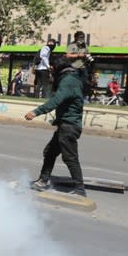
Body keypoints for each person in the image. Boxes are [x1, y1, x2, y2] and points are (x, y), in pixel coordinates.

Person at [26, 57, 87, 197]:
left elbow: (56, 100)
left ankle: (79, 189)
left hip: (69, 126)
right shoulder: (71, 78)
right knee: (50, 152)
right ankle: (42, 180)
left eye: (52, 67)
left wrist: (36, 112)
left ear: (58, 68)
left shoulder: (68, 81)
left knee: (70, 157)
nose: (51, 70)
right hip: (65, 125)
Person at [65, 30, 93, 102]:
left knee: (84, 82)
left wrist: (87, 57)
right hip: (73, 67)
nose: (82, 39)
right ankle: (71, 97)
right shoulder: (72, 45)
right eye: (80, 37)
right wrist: (78, 55)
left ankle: (84, 98)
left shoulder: (85, 46)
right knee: (73, 83)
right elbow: (68, 55)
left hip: (83, 67)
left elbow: (88, 53)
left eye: (83, 37)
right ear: (76, 38)